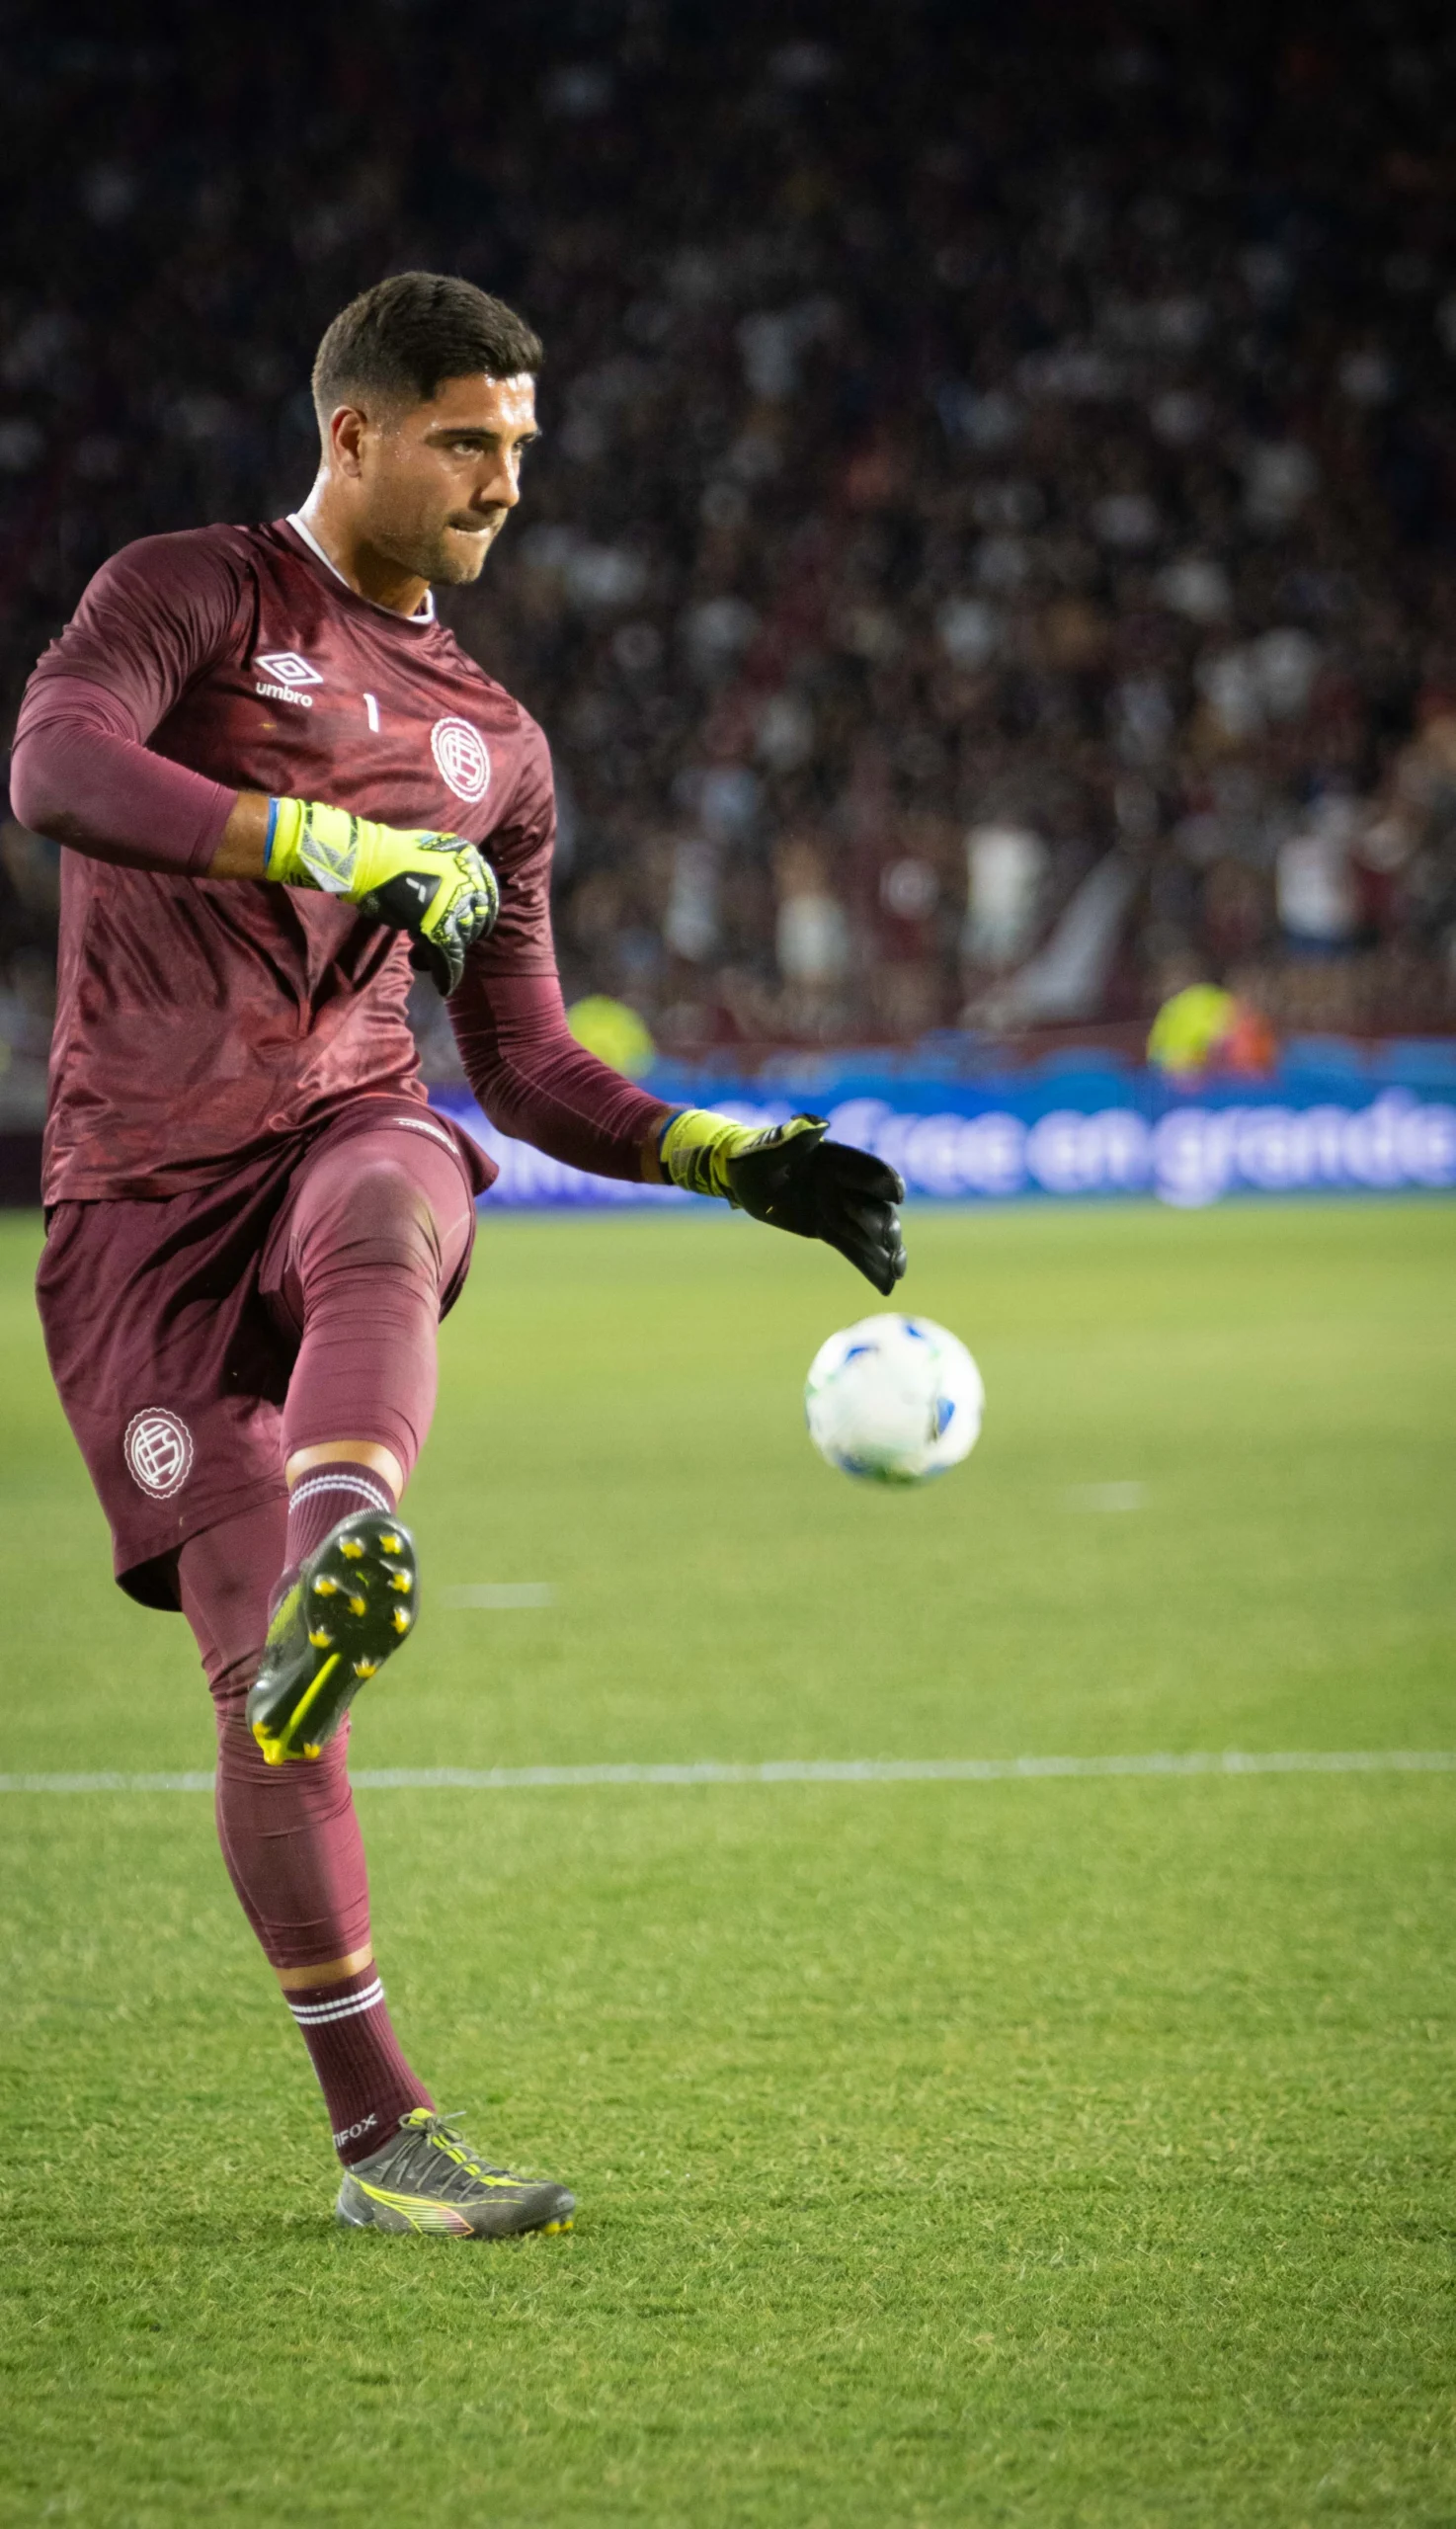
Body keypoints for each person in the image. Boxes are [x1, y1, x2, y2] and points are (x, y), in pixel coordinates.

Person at [11, 273, 905, 2241]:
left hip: (336, 1132)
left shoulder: (496, 742)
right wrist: (321, 843)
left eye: (518, 445)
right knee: (272, 1702)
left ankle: (347, 1523)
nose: (505, 479)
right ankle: (378, 2143)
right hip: (135, 1217)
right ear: (354, 432)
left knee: (401, 1167)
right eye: (467, 442)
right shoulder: (189, 594)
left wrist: (715, 1153)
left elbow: (523, 1059)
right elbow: (53, 771)